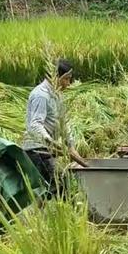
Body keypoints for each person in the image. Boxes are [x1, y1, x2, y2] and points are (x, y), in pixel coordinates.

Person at [23, 59, 88, 196]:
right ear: (55, 77)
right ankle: (53, 215)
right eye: (66, 79)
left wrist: (71, 147)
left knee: (52, 189)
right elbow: (35, 125)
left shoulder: (57, 95)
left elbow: (63, 124)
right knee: (60, 186)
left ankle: (38, 214)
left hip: (47, 150)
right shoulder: (41, 95)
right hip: (36, 149)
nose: (68, 84)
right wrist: (52, 143)